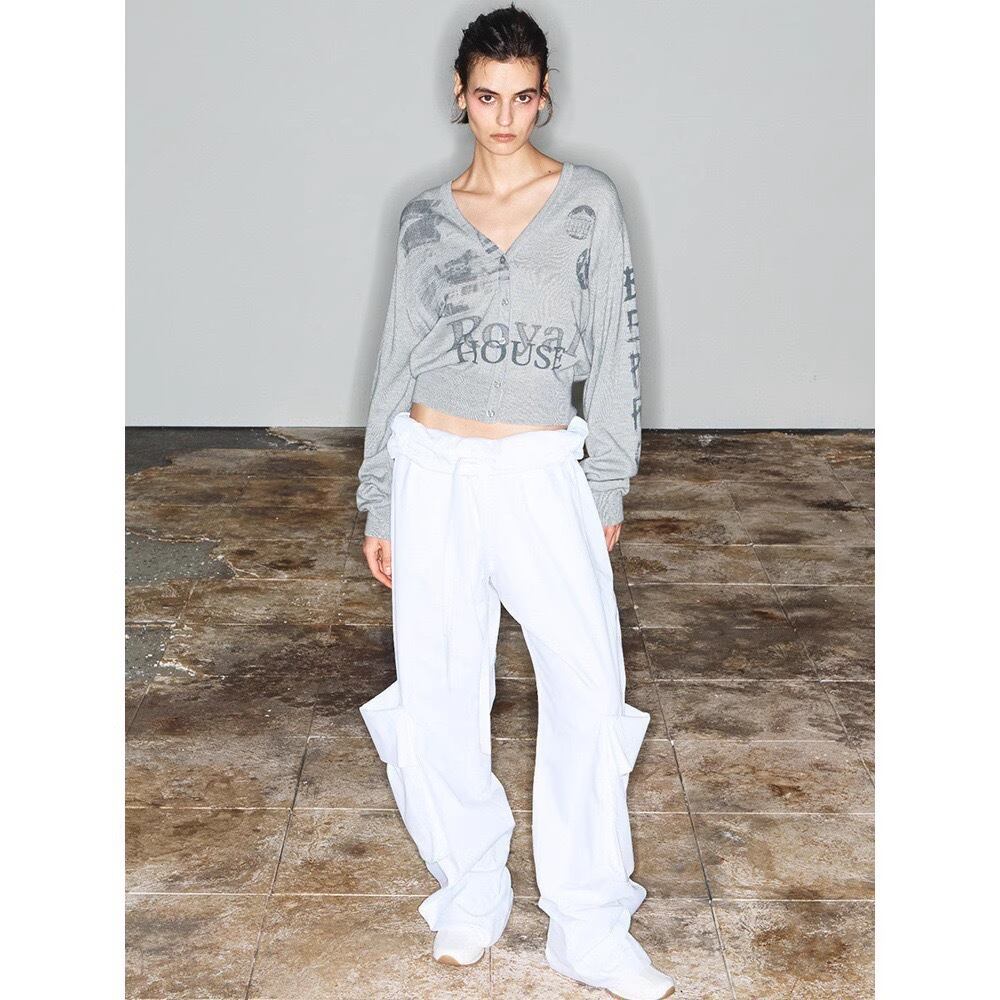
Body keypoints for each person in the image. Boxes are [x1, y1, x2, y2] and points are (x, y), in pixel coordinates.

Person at [355, 8, 674, 999]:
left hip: (538, 470)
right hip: (431, 468)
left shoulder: (587, 204)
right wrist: (379, 498)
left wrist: (606, 479)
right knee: (441, 690)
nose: (504, 115)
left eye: (522, 95)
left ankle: (589, 921)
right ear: (460, 95)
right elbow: (396, 358)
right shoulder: (424, 216)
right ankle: (472, 884)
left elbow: (614, 352)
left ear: (544, 97)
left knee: (586, 685)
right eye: (486, 95)